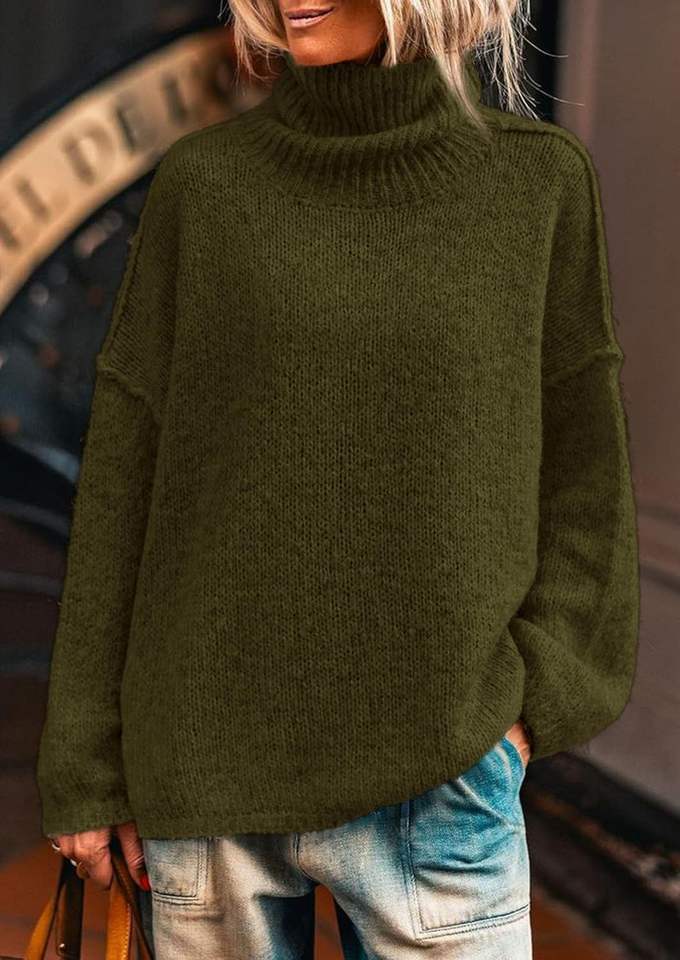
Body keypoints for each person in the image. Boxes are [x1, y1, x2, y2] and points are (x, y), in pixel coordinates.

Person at [36, 0, 640, 956]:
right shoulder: (205, 186)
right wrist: (84, 766)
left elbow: (584, 478)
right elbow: (124, 481)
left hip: (439, 777)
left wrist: (526, 708)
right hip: (203, 779)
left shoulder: (536, 185)